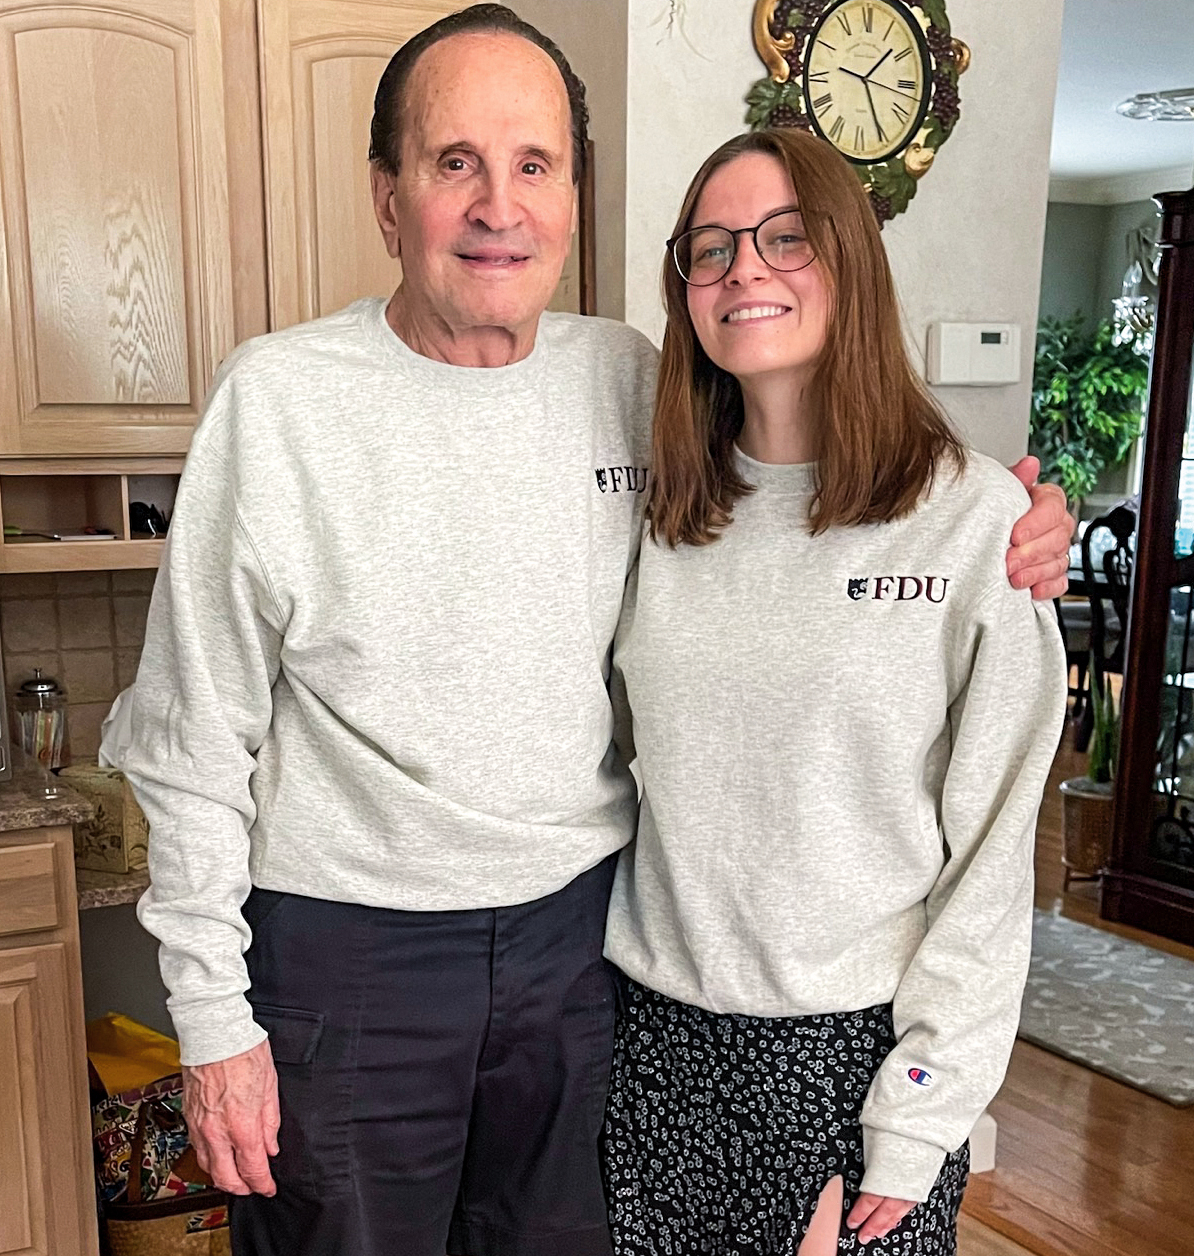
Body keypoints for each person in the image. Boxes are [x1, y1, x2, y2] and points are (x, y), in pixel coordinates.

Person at [122, 7, 1072, 1256]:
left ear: (576, 196)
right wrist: (211, 1018)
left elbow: (830, 486)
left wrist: (1006, 518)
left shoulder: (631, 387)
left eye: (535, 165)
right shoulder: (284, 400)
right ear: (387, 196)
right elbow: (190, 734)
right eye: (454, 161)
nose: (497, 206)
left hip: (583, 955)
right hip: (352, 957)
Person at [600, 127, 1069, 1256]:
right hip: (649, 1044)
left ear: (851, 260)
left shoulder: (976, 528)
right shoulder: (658, 509)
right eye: (709, 250)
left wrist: (918, 1111)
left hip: (853, 1057)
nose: (744, 271)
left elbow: (994, 856)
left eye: (784, 239)